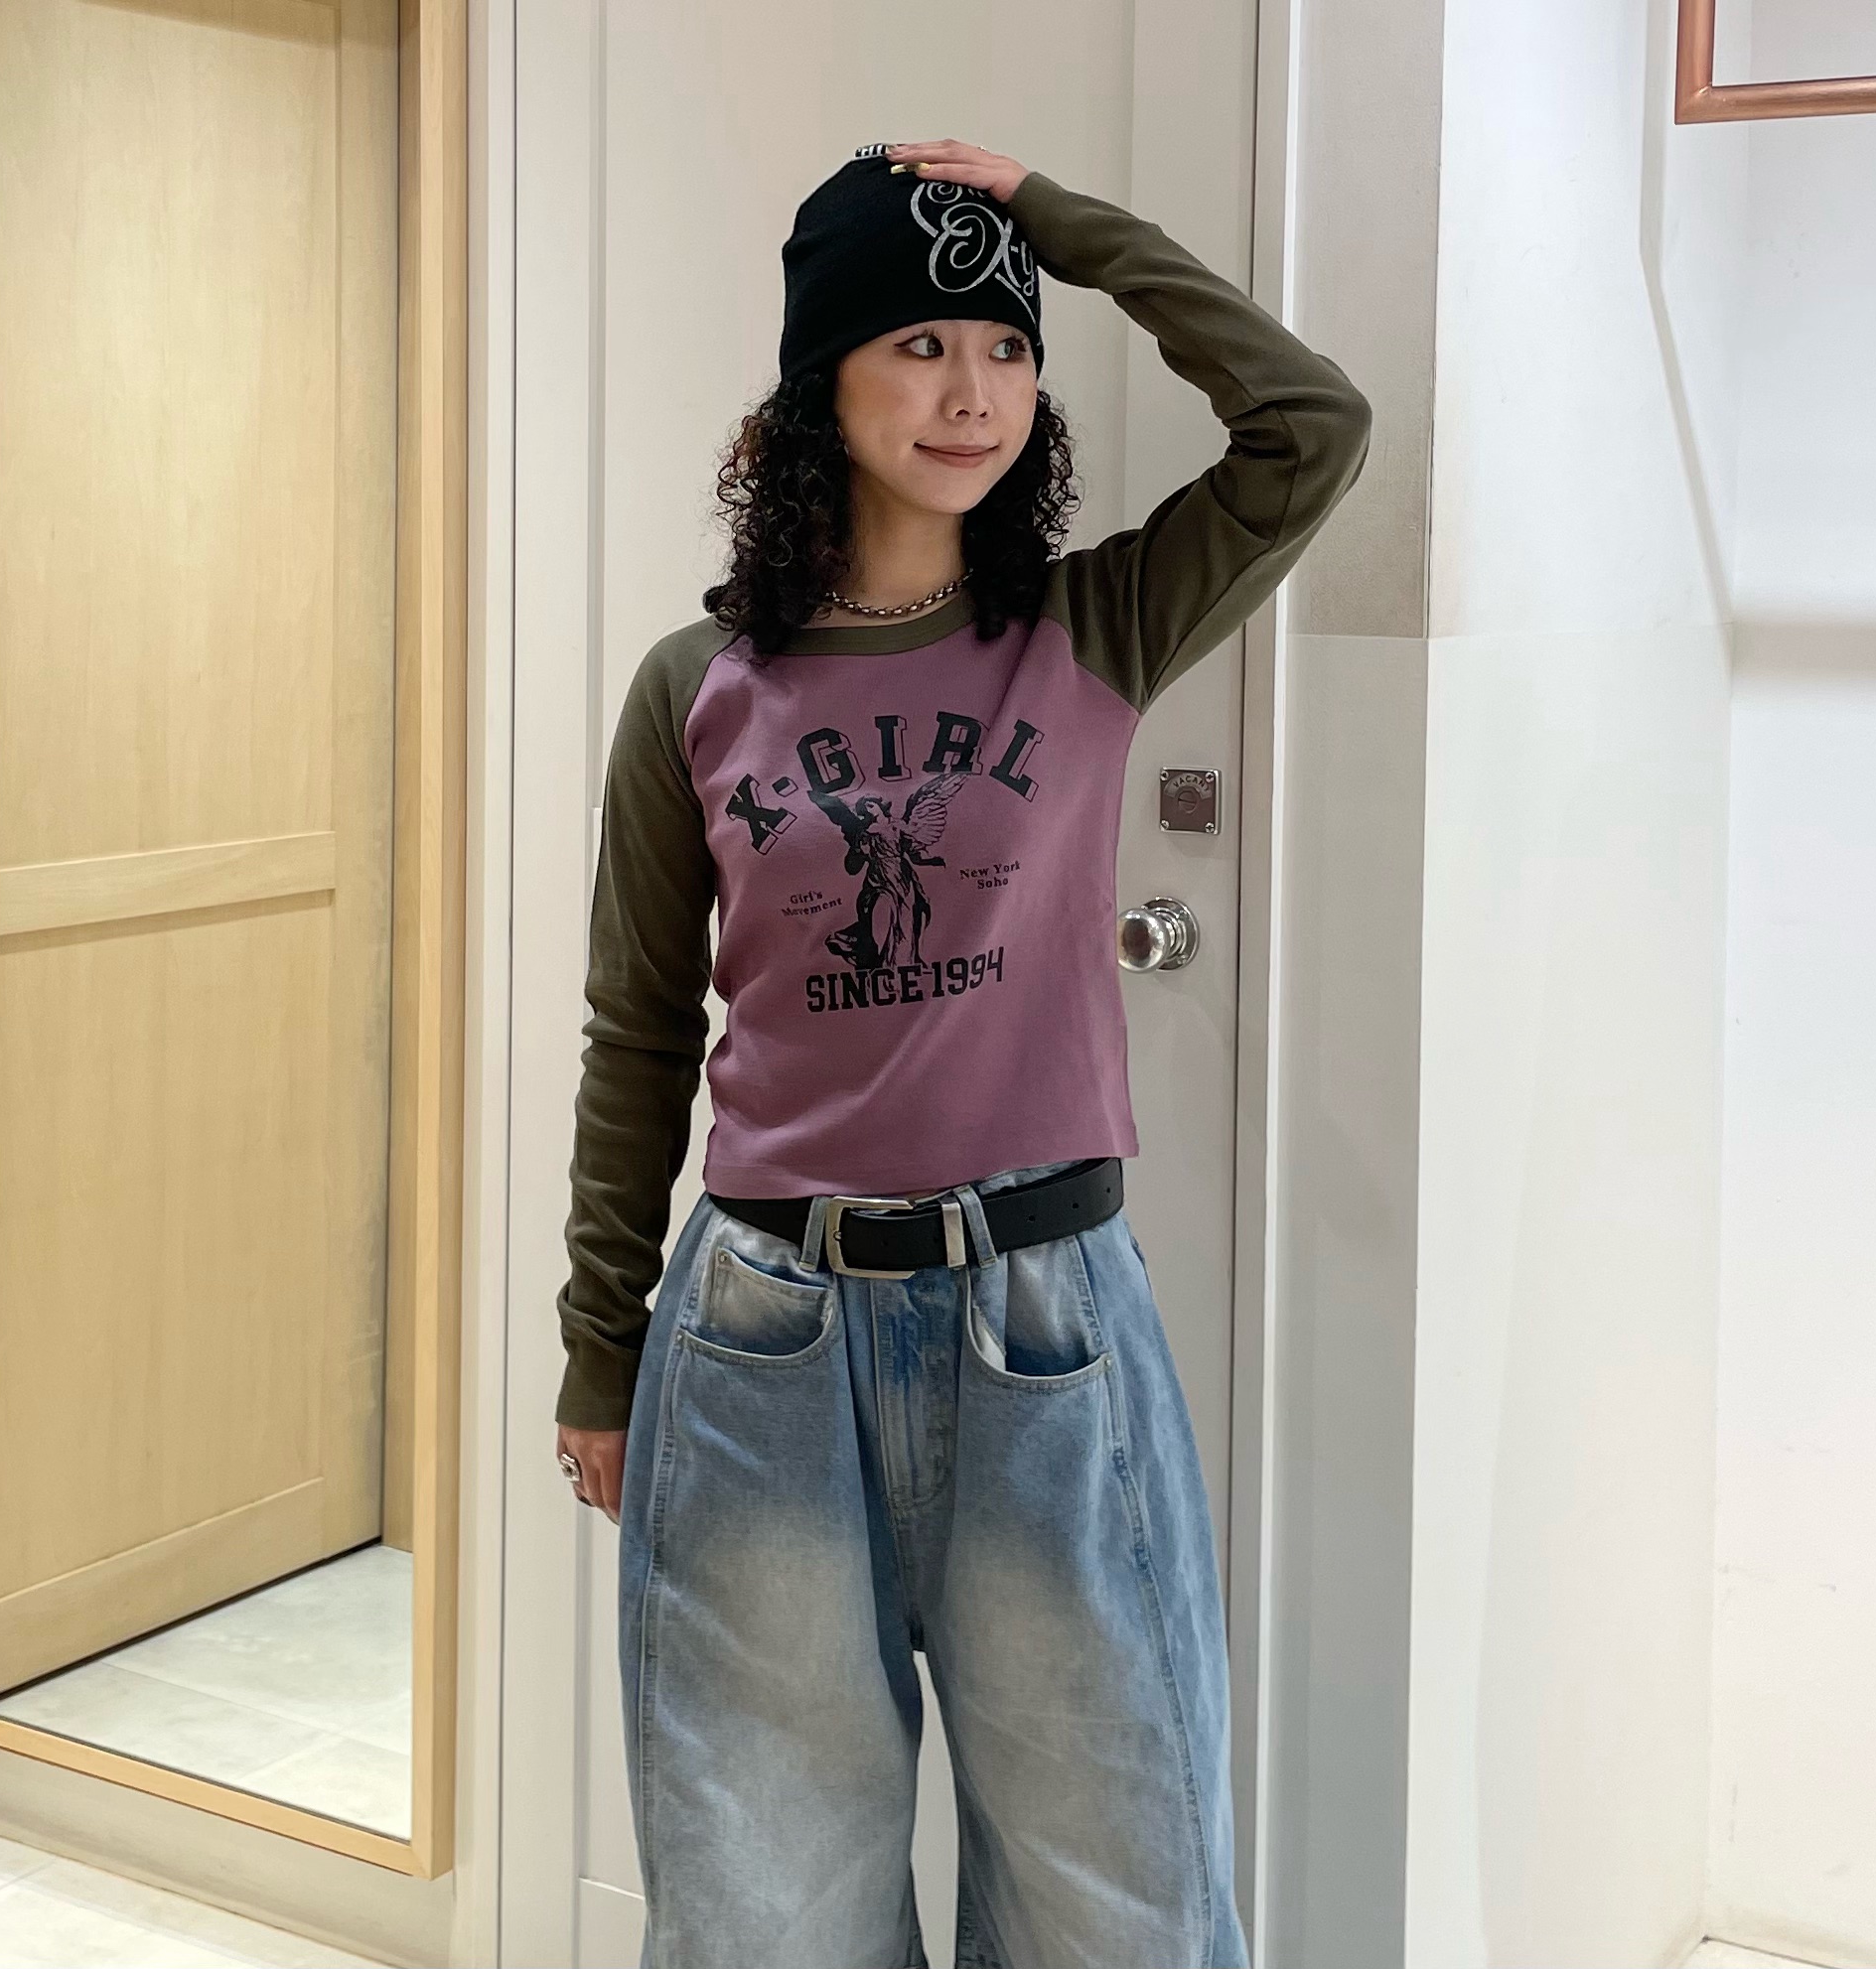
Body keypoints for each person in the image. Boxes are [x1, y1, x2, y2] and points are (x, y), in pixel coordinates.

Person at [553, 136, 1370, 1969]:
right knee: (767, 1912)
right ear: (820, 380)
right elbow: (638, 1030)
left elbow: (1312, 426)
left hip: (1046, 1326)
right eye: (919, 343)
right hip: (759, 1338)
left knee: (1119, 1903)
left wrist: (1060, 228)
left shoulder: (1090, 626)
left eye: (1005, 348)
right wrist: (602, 1345)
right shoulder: (697, 686)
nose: (972, 392)